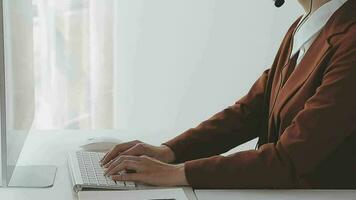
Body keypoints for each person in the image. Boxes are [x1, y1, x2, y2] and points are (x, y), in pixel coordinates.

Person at [101, 0, 356, 189]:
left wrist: (177, 173)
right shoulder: (305, 27)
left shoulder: (349, 39)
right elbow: (248, 113)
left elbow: (290, 158)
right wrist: (169, 151)